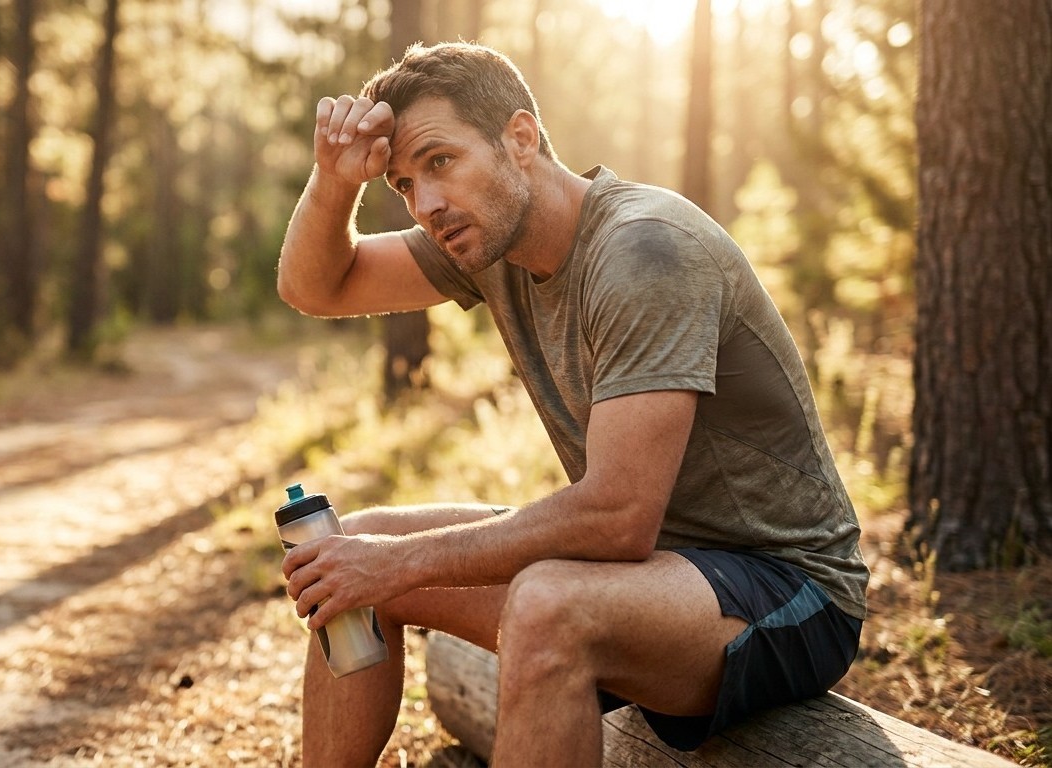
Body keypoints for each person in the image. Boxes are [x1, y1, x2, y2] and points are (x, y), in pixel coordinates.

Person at [276, 41, 869, 767]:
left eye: (440, 161)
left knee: (544, 605)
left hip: (787, 589)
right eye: (402, 184)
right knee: (348, 555)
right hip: (653, 568)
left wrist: (396, 564)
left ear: (520, 139)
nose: (425, 203)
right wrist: (334, 181)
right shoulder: (484, 241)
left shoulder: (644, 250)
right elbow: (317, 288)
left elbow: (617, 517)